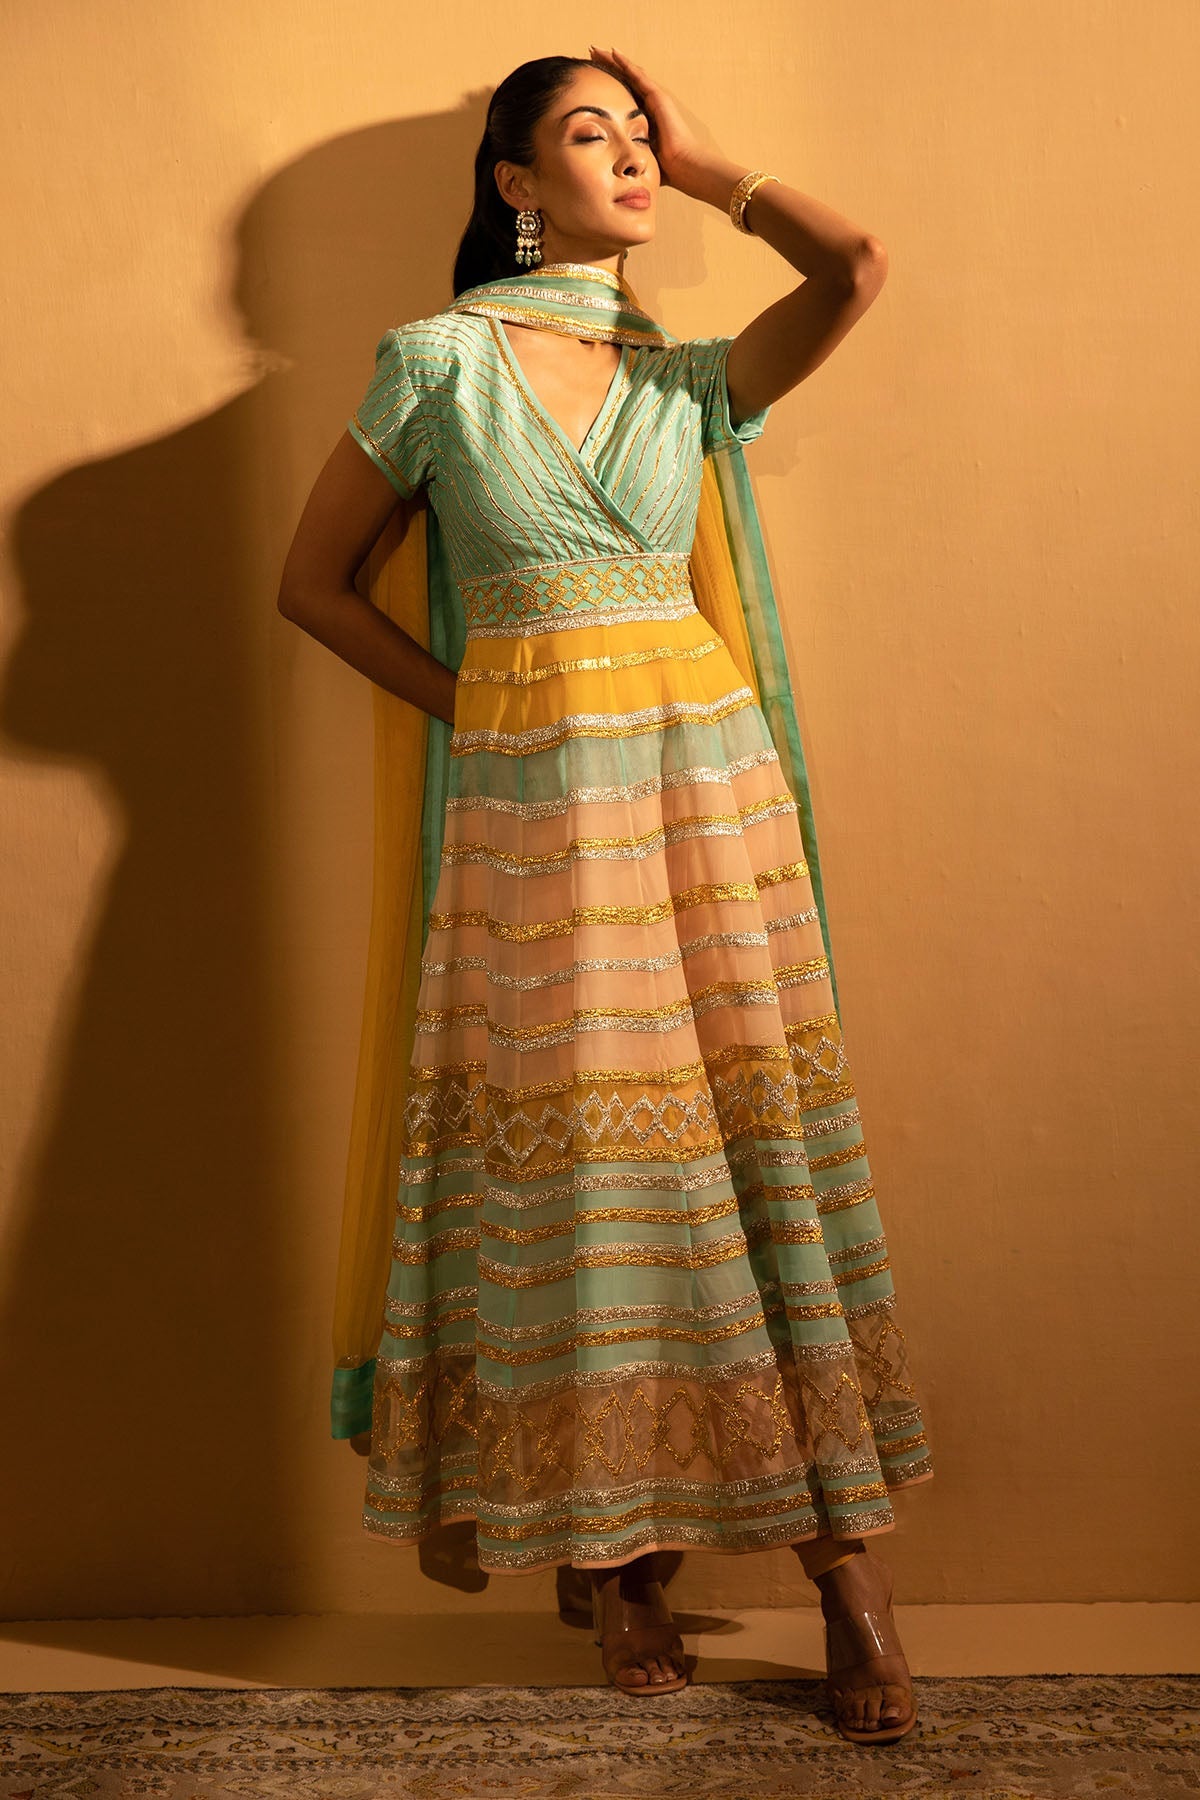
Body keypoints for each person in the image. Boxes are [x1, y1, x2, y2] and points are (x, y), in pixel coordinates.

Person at [278, 47, 933, 1743]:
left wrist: (712, 168)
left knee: (751, 1142)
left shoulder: (684, 379)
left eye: (642, 135)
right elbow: (313, 586)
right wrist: (480, 707)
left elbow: (856, 266)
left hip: (709, 791)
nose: (631, 156)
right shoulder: (436, 365)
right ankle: (621, 1555)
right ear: (515, 184)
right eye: (594, 135)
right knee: (585, 1169)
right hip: (538, 819)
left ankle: (844, 1565)